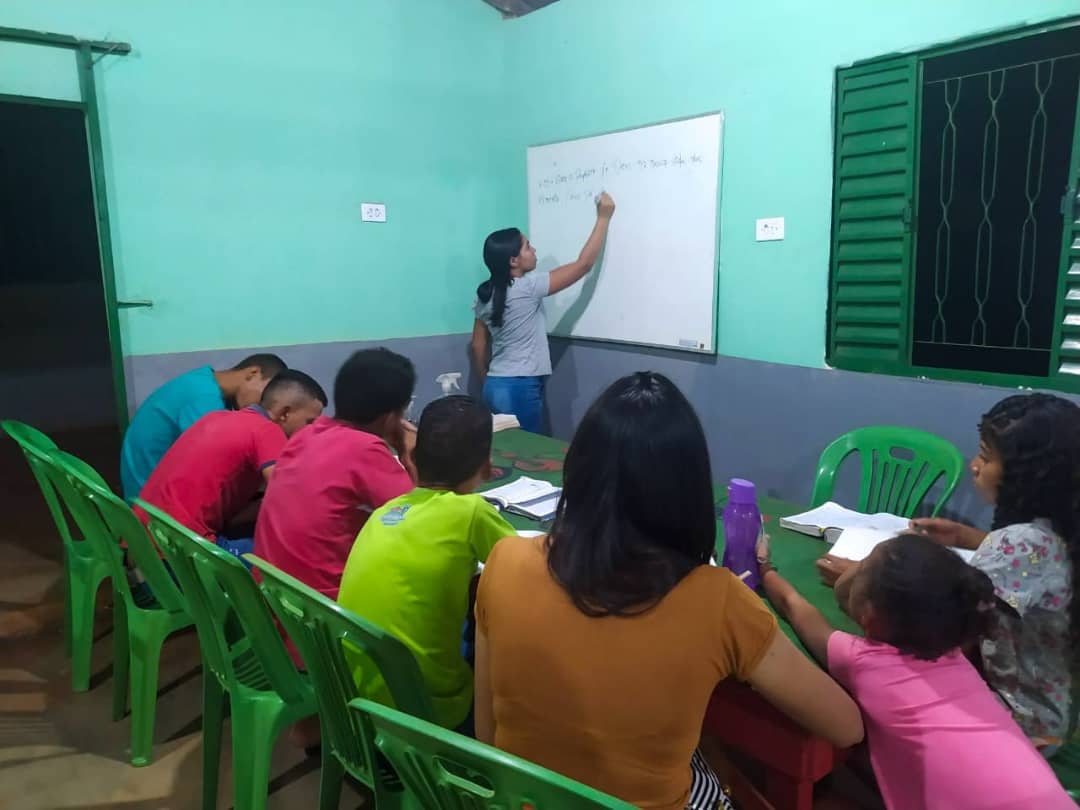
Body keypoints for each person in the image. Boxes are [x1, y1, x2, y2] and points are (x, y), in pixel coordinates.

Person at [474, 372, 863, 810]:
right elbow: (846, 727)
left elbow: (488, 736)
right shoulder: (718, 600)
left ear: (578, 473)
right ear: (688, 491)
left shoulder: (504, 559)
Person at [819, 393, 1080, 750]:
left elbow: (936, 622)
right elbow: (1033, 560)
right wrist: (966, 537)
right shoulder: (1059, 525)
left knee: (875, 679)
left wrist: (868, 574)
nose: (974, 465)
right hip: (1052, 710)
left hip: (1021, 723)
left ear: (1029, 475)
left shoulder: (1018, 544)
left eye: (986, 458)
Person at [761, 532, 1073, 810]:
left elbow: (793, 606)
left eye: (864, 563)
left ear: (869, 615)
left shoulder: (863, 661)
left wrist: (765, 569)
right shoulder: (954, 652)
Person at [338, 395, 514, 732]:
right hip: (429, 709)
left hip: (363, 699)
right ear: (487, 466)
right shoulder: (471, 510)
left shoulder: (385, 511)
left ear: (412, 459)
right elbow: (527, 567)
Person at [253, 348, 417, 600]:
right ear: (391, 418)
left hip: (274, 604)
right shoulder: (365, 449)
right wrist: (410, 457)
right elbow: (420, 524)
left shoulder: (305, 435)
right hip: (326, 618)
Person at [134, 370, 326, 558]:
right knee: (291, 556)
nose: (312, 431)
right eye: (309, 422)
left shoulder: (218, 417)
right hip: (185, 551)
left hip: (144, 542)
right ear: (284, 413)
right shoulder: (268, 430)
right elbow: (289, 500)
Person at [470, 192, 616, 434]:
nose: (534, 249)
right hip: (520, 386)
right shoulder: (528, 287)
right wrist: (603, 218)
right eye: (528, 246)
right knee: (527, 453)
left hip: (495, 384)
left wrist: (488, 380)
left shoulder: (484, 293)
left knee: (505, 452)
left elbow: (477, 346)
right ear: (513, 260)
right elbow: (583, 265)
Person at [120, 354, 287, 499]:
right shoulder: (204, 398)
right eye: (266, 395)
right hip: (152, 504)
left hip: (146, 491)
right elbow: (215, 463)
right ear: (253, 373)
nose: (266, 406)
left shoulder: (203, 380)